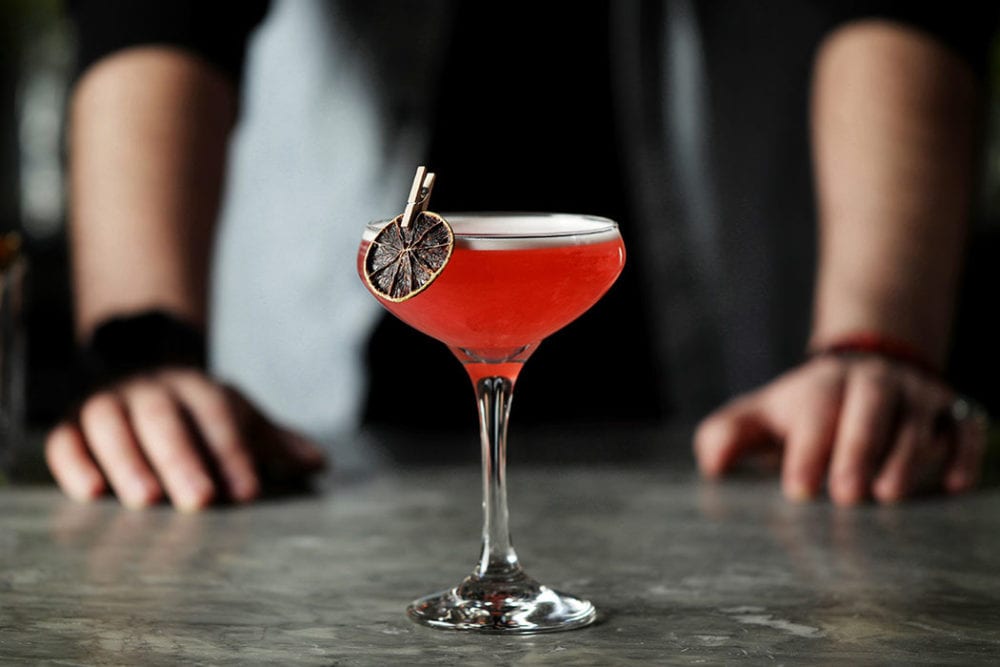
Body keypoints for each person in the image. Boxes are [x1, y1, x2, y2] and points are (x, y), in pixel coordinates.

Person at [45, 1, 998, 510]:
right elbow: (153, 14)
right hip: (317, 412)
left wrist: (875, 338)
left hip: (743, 400)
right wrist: (146, 349)